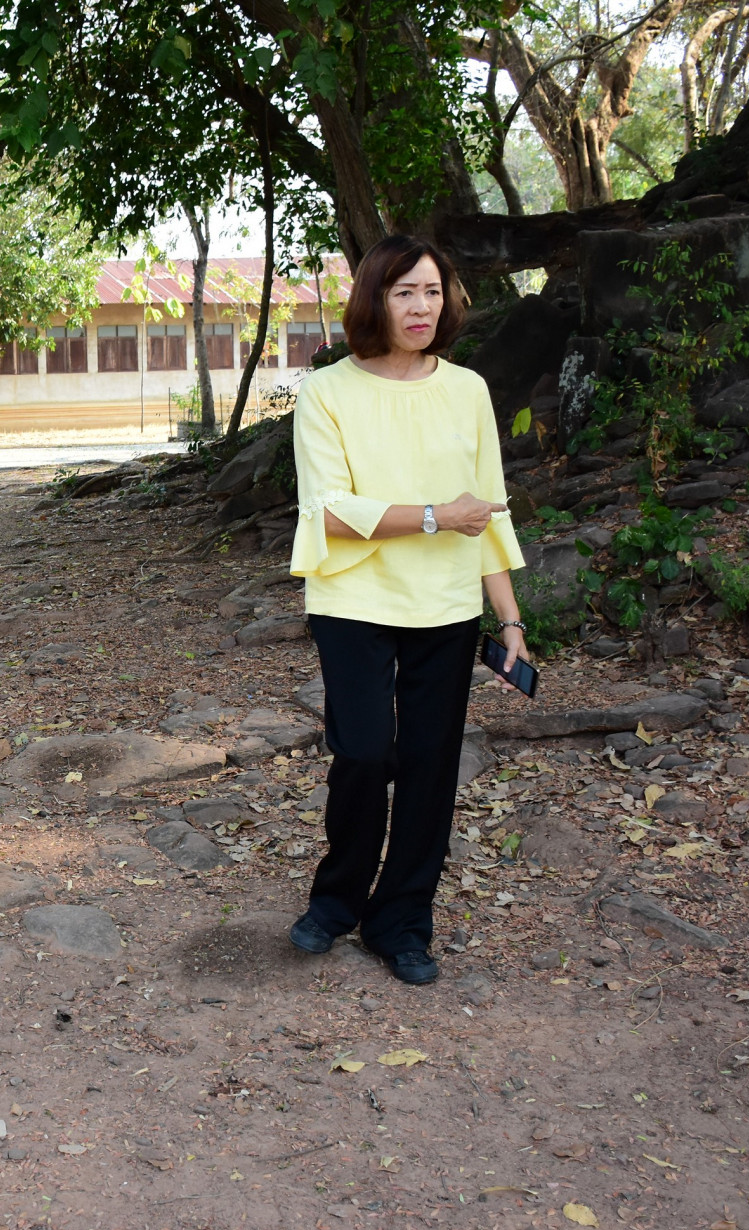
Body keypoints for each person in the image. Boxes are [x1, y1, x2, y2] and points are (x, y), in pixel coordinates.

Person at [285, 234, 528, 986]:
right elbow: (328, 511)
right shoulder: (326, 391)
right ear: (373, 300)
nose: (420, 306)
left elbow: (487, 510)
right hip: (353, 595)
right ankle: (337, 897)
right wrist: (431, 515)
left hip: (448, 602)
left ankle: (401, 921)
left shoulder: (467, 389)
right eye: (403, 292)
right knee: (361, 750)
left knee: (429, 765)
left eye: (431, 290)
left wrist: (510, 621)